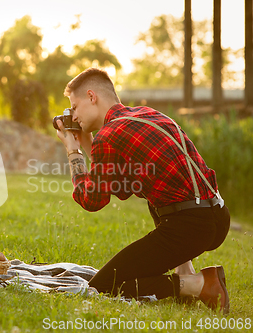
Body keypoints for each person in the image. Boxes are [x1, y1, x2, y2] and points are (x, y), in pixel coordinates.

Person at [55, 68, 230, 314]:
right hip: (217, 215)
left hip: (189, 228)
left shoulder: (110, 135)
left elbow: (92, 200)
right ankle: (185, 270)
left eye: (74, 106)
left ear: (92, 96)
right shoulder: (148, 114)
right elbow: (123, 185)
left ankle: (199, 284)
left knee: (105, 285)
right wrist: (87, 142)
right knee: (157, 192)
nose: (73, 114)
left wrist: (73, 151)